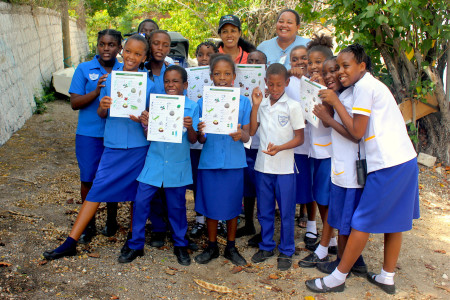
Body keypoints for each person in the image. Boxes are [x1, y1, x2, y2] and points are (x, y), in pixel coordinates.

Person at [305, 44, 419, 294]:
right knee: (394, 223)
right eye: (339, 66)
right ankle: (386, 277)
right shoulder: (367, 86)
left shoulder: (365, 87)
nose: (341, 72)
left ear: (362, 67)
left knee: (361, 222)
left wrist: (333, 103)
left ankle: (337, 278)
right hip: (405, 160)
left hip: (388, 164)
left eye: (346, 66)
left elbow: (356, 132)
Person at [43, 34, 153, 260]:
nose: (132, 56)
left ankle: (134, 241)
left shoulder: (149, 84)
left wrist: (145, 119)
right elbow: (101, 113)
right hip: (112, 145)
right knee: (95, 190)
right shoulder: (110, 79)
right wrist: (103, 106)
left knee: (136, 195)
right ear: (123, 52)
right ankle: (71, 241)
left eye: (138, 54)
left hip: (137, 147)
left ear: (144, 57)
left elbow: (151, 123)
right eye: (129, 51)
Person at [118, 65, 199, 266]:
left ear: (185, 85)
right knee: (141, 202)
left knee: (177, 207)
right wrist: (143, 123)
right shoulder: (156, 103)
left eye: (176, 81)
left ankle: (180, 244)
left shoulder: (192, 107)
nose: (171, 85)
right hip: (154, 162)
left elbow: (194, 138)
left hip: (177, 165)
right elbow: (149, 135)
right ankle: (136, 244)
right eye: (167, 81)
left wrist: (189, 127)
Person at [311, 56, 368, 277]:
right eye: (326, 72)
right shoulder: (341, 95)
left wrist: (329, 115)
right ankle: (352, 262)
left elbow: (355, 135)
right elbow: (325, 120)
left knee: (348, 218)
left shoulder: (351, 96)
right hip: (341, 165)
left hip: (352, 167)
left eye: (335, 70)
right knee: (343, 215)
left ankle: (345, 263)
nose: (330, 75)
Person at [194, 54, 251, 266]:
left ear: (234, 76)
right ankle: (211, 246)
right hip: (209, 161)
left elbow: (247, 135)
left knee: (233, 205)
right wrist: (200, 132)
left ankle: (231, 246)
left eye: (227, 73)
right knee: (210, 204)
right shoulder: (203, 102)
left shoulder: (243, 102)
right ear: (211, 77)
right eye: (217, 74)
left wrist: (240, 135)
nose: (222, 78)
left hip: (234, 162)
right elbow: (200, 138)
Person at [68, 29, 123, 242]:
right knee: (88, 178)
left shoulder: (125, 70)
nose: (106, 48)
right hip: (89, 135)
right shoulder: (84, 69)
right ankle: (88, 225)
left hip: (115, 133)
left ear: (119, 47)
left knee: (110, 178)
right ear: (97, 46)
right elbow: (74, 103)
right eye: (102, 44)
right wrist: (96, 91)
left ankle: (111, 220)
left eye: (111, 45)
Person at [249, 63, 305, 271]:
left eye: (279, 85)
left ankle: (287, 250)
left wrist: (280, 148)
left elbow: (300, 138)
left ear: (287, 83)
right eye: (270, 85)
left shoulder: (293, 106)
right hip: (263, 166)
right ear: (265, 83)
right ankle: (266, 246)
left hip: (284, 169)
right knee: (264, 210)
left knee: (287, 211)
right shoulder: (262, 104)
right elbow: (253, 131)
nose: (274, 89)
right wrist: (255, 106)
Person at [297, 35, 338, 268]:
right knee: (320, 198)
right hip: (314, 152)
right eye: (310, 62)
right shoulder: (309, 86)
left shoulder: (331, 89)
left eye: (318, 62)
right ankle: (329, 239)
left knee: (326, 198)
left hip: (329, 153)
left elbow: (326, 121)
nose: (313, 66)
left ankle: (325, 245)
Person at [236, 50, 268, 242]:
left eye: (259, 61)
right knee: (248, 187)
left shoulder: (271, 84)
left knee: (263, 188)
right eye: (252, 60)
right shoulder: (239, 85)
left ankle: (264, 229)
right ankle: (248, 223)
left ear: (265, 64)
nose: (254, 63)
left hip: (264, 145)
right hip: (247, 143)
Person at [189, 41, 219, 239]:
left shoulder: (221, 78)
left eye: (209, 54)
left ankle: (220, 219)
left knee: (215, 183)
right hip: (195, 140)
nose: (204, 58)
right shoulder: (189, 77)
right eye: (200, 54)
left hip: (215, 142)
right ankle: (200, 220)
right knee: (198, 182)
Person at [284, 45, 311, 230]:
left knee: (309, 184)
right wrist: (288, 73)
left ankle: (308, 219)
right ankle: (290, 213)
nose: (299, 62)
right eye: (295, 59)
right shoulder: (287, 80)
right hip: (292, 140)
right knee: (293, 181)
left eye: (303, 58)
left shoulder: (314, 80)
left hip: (310, 141)